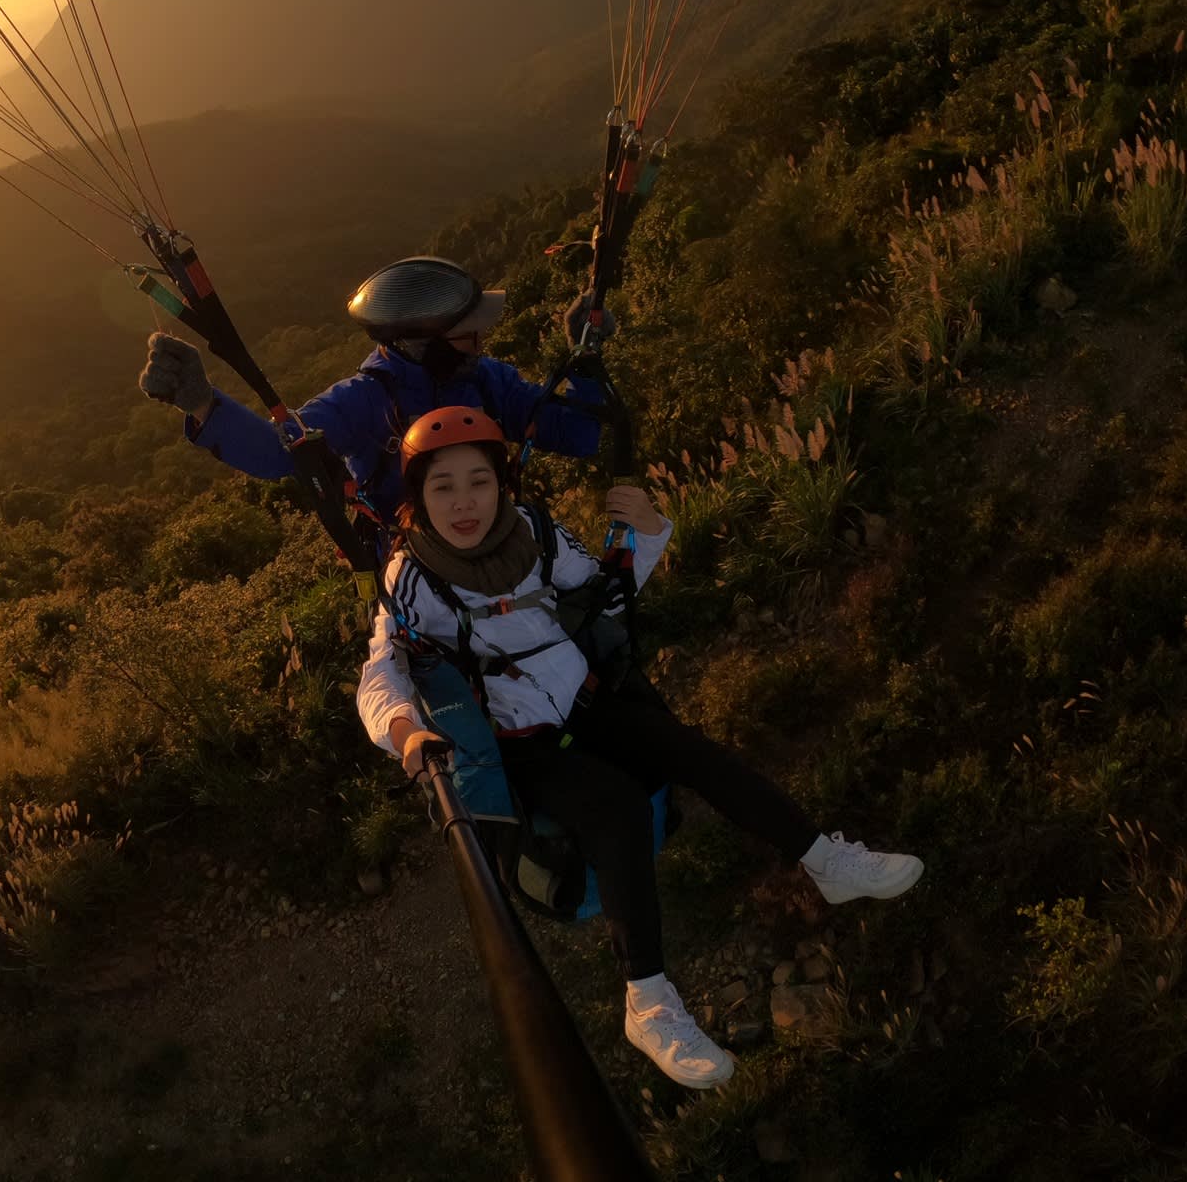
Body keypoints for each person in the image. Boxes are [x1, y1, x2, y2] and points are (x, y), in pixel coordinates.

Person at [356, 407, 925, 1090]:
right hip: (522, 744)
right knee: (617, 806)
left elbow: (608, 595)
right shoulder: (411, 579)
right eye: (442, 486)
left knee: (691, 751)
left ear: (502, 484)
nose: (464, 502)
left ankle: (825, 860)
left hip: (586, 706)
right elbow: (382, 670)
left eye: (478, 481)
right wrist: (405, 731)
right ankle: (648, 1003)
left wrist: (649, 530)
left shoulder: (535, 532)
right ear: (417, 498)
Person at [137, 256, 606, 531]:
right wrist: (204, 404)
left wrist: (586, 363)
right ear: (427, 342)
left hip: (494, 547)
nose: (481, 342)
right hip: (412, 574)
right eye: (468, 334)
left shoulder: (486, 380)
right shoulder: (364, 400)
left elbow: (580, 436)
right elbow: (285, 453)